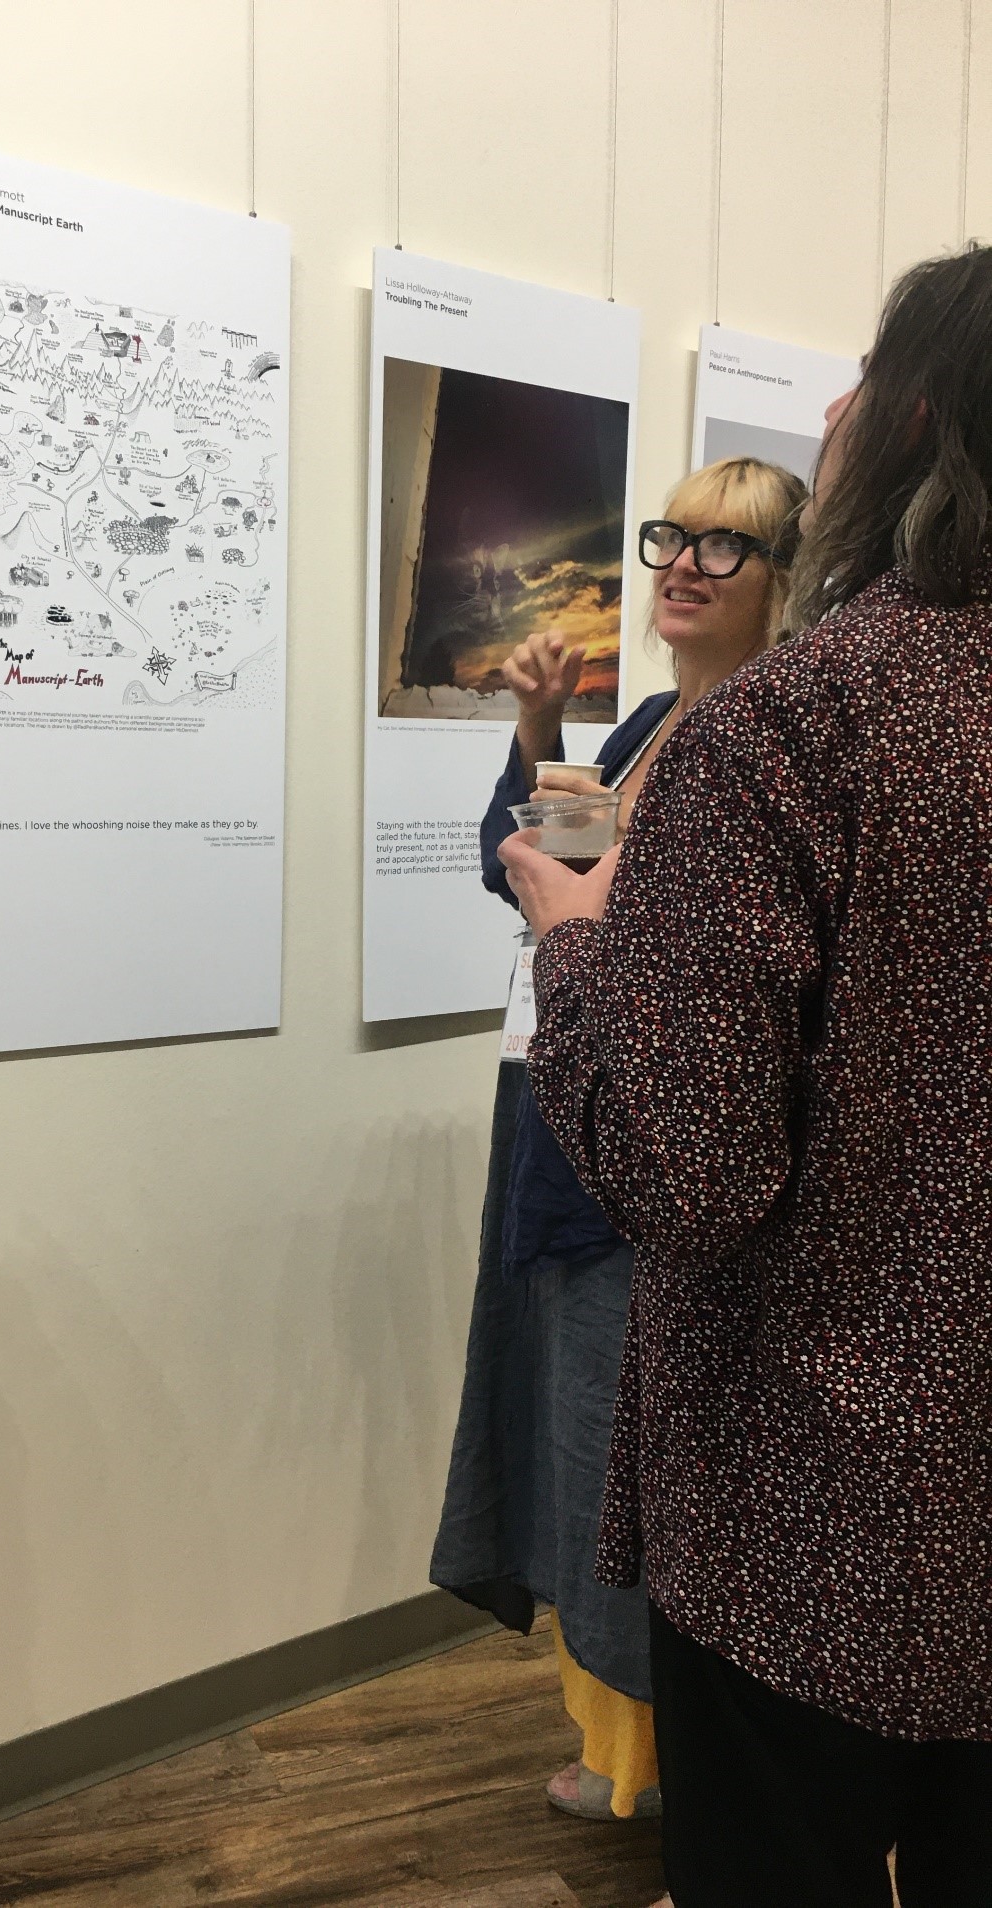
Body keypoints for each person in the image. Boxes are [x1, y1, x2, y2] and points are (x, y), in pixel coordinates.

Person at [503, 245, 992, 1908]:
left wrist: (573, 947)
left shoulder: (799, 728)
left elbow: (688, 1172)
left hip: (821, 1519)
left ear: (916, 421)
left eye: (859, 373)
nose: (829, 407)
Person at [431, 458, 806, 1831]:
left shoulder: (763, 740)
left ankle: (660, 1762)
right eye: (675, 537)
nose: (688, 565)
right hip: (569, 1109)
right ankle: (621, 1743)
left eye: (731, 545)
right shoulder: (650, 721)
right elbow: (523, 867)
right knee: (586, 1444)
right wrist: (541, 724)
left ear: (787, 577)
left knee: (633, 1456)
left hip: (654, 1145)